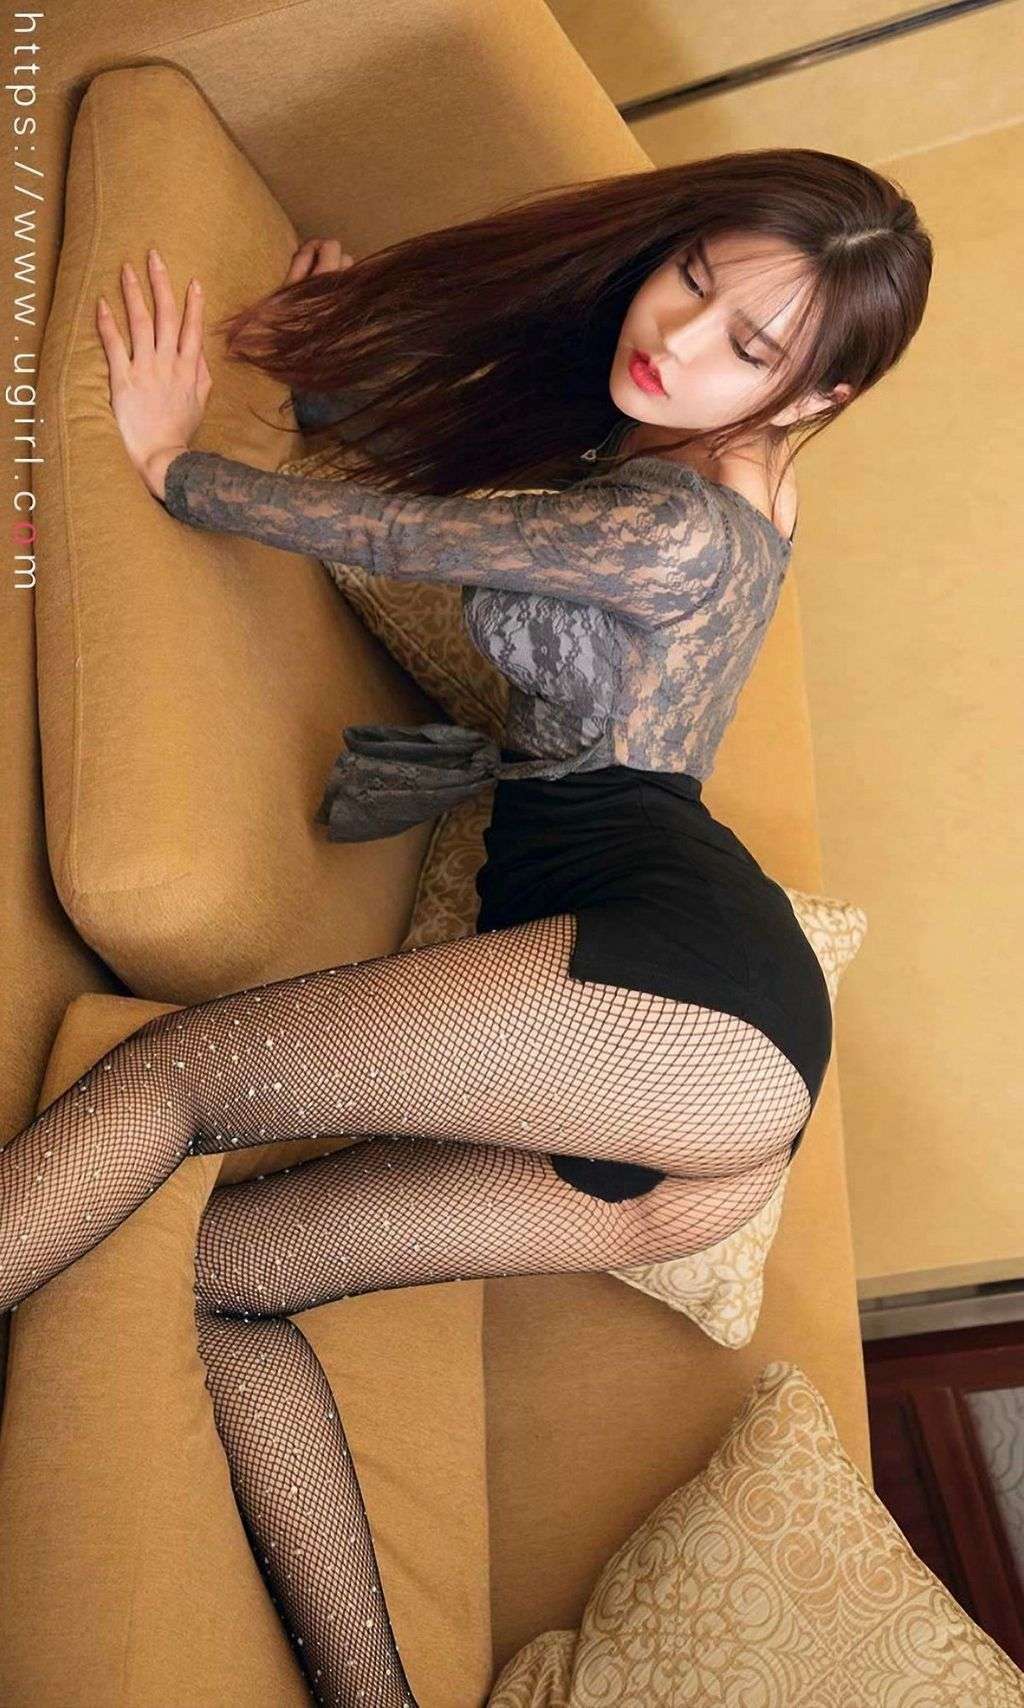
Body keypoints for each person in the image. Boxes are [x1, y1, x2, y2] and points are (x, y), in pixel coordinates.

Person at [2, 148, 933, 1707]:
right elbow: (504, 533)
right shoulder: (729, 473)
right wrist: (330, 385)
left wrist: (175, 465)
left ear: (818, 396)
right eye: (691, 278)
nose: (680, 339)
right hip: (705, 1124)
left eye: (748, 344)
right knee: (222, 1280)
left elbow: (402, 542)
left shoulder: (682, 525)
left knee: (172, 1081)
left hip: (690, 1001)